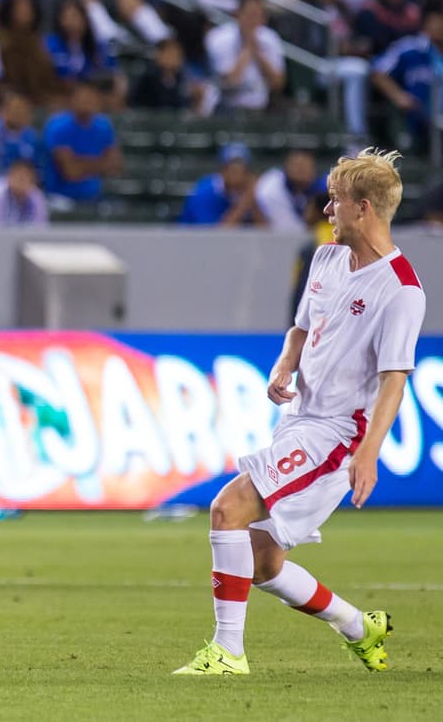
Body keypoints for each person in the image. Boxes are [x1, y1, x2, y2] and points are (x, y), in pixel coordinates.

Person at [174, 149, 425, 675]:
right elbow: (302, 328)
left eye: (335, 200)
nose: (326, 210)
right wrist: (284, 364)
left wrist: (368, 453)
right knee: (263, 561)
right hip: (297, 421)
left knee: (227, 510)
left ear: (363, 208)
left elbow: (394, 379)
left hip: (336, 435)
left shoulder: (400, 289)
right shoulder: (327, 258)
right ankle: (359, 627)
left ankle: (227, 652)